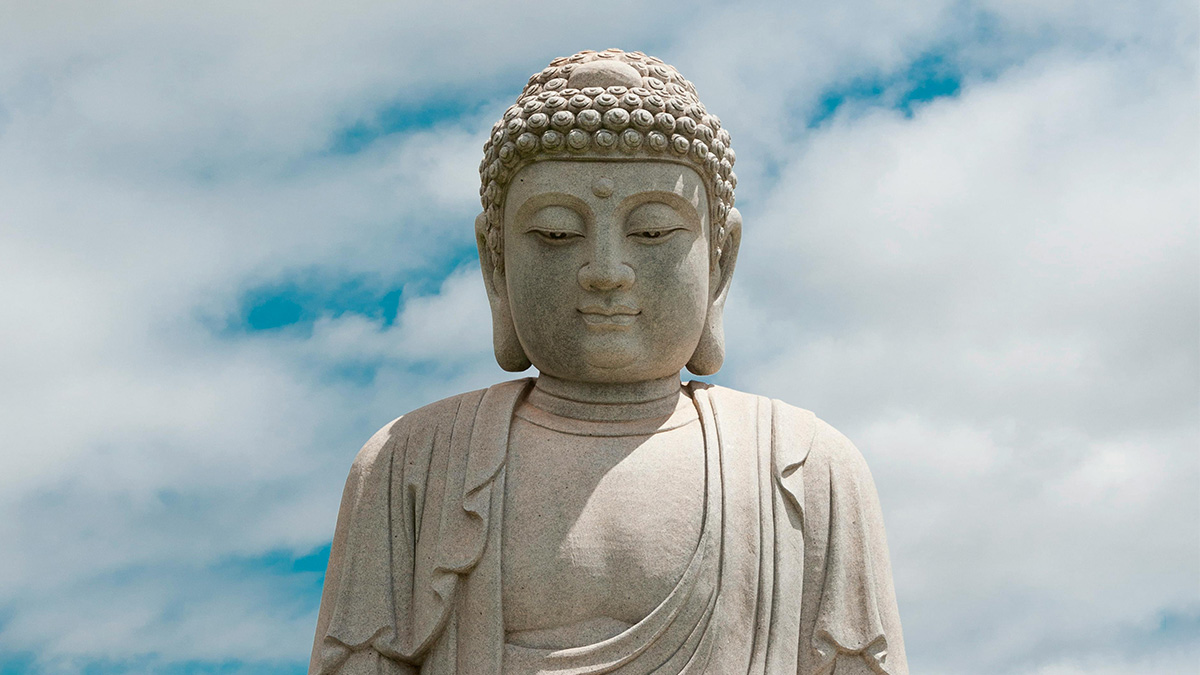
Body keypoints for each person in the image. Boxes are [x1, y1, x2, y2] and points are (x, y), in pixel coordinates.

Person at [310, 49, 907, 675]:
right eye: (557, 233)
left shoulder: (807, 469)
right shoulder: (411, 463)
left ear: (720, 261)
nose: (604, 272)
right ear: (496, 262)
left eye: (650, 231)